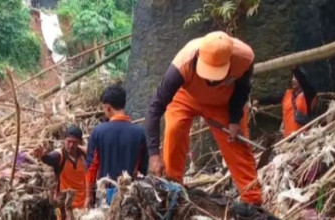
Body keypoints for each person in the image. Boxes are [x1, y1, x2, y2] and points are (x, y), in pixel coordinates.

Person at [145, 31, 262, 205]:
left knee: (236, 143)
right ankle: (172, 191)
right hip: (185, 96)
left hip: (223, 102)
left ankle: (253, 200)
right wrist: (153, 154)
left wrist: (235, 119)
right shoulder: (182, 64)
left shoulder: (244, 58)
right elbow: (155, 109)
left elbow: (243, 88)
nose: (210, 79)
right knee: (174, 131)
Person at [85, 84, 148, 208]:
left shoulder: (98, 132)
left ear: (108, 107)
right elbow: (142, 168)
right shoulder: (139, 132)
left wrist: (88, 196)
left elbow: (92, 167)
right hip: (130, 196)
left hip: (105, 195)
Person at [32, 124, 87, 215]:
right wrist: (43, 156)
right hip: (65, 205)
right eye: (69, 141)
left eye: (75, 142)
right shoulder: (60, 155)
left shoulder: (83, 154)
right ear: (64, 140)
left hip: (83, 204)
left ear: (80, 142)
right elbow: (50, 158)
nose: (71, 145)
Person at [254, 66, 319, 138]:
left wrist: (295, 69)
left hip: (302, 137)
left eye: (296, 78)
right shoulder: (287, 94)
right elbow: (272, 98)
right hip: (288, 138)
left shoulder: (308, 95)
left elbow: (304, 82)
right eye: (293, 78)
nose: (293, 80)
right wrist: (259, 100)